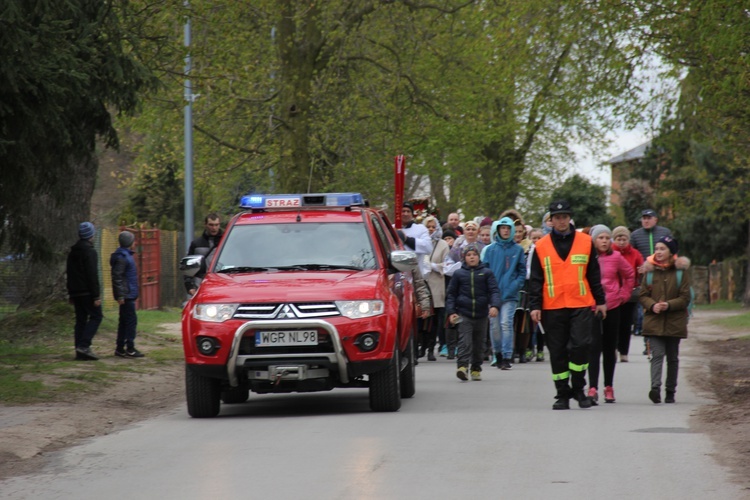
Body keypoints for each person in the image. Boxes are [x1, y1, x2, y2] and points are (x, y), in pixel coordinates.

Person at [529, 200, 606, 410]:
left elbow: (593, 274)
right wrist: (534, 306)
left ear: (569, 218)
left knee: (581, 346)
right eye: (557, 217)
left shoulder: (585, 241)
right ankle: (562, 393)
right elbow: (535, 279)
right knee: (557, 351)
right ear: (551, 220)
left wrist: (601, 301)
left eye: (564, 216)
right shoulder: (541, 246)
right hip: (552, 306)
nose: (561, 221)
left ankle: (579, 389)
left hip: (581, 303)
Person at [640, 236, 691, 404]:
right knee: (657, 354)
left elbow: (685, 297)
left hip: (674, 322)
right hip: (654, 321)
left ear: (671, 252)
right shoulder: (649, 271)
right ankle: (655, 388)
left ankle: (670, 390)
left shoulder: (680, 272)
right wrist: (652, 305)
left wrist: (668, 305)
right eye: (656, 249)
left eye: (662, 249)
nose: (658, 252)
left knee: (672, 357)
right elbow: (642, 295)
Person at [586, 225, 635, 404]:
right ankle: (592, 387)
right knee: (593, 348)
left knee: (609, 348)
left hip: (612, 306)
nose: (605, 241)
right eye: (601, 237)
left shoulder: (616, 257)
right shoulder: (588, 257)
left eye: (607, 237)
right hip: (591, 308)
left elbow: (630, 275)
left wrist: (623, 295)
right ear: (593, 240)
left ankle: (609, 386)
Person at [445, 244, 501, 382]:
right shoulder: (458, 274)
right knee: (465, 341)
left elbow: (494, 291)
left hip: (481, 315)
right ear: (464, 258)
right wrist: (451, 312)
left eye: (474, 255)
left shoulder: (487, 273)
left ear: (478, 257)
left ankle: (476, 368)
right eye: (469, 255)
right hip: (464, 314)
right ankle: (462, 367)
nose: (472, 257)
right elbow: (451, 294)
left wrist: (494, 306)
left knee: (479, 344)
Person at [481, 217, 526, 370]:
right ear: (498, 230)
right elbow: (484, 270)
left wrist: (515, 285)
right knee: (494, 325)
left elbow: (522, 272)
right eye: (502, 228)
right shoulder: (490, 249)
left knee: (505, 323)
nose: (505, 231)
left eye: (508, 228)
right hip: (493, 294)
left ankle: (507, 355)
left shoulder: (518, 250)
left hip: (510, 294)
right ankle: (497, 353)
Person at [66, 222, 103, 361]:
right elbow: (92, 275)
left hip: (76, 291)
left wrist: (70, 293)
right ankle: (84, 345)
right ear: (91, 235)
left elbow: (70, 273)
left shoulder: (72, 252)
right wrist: (96, 295)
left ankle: (79, 349)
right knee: (96, 316)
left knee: (80, 320)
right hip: (87, 291)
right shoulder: (90, 252)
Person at [420, 216, 450, 361]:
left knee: (435, 319)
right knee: (421, 318)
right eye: (428, 227)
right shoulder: (420, 243)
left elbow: (448, 266)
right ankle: (421, 346)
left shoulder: (443, 244)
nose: (431, 229)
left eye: (433, 227)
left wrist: (433, 266)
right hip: (421, 284)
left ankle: (431, 349)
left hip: (436, 284)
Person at [612, 226, 644, 362]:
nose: (621, 241)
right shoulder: (609, 252)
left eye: (624, 239)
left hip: (630, 294)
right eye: (618, 239)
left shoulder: (635, 253)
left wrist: (641, 274)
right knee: (613, 324)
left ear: (628, 239)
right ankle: (612, 349)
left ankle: (623, 352)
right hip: (613, 293)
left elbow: (640, 269)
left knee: (626, 324)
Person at [111, 231, 144, 358]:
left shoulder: (125, 256)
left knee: (124, 321)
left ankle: (120, 347)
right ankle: (129, 347)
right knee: (130, 321)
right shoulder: (123, 257)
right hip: (126, 295)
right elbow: (117, 277)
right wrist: (120, 295)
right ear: (130, 243)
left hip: (127, 293)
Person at [185, 213, 224, 296]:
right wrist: (190, 287)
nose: (214, 228)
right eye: (211, 225)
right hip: (200, 285)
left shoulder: (226, 242)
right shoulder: (196, 244)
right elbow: (188, 267)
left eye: (216, 225)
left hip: (221, 283)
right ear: (205, 225)